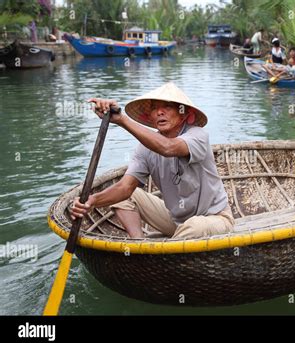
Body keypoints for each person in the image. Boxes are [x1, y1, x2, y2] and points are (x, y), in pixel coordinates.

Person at [70, 82, 235, 240]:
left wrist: (122, 120)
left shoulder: (198, 135)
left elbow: (168, 148)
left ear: (183, 113)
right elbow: (125, 188)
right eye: (155, 108)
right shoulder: (145, 148)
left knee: (194, 226)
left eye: (168, 107)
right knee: (128, 196)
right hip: (176, 221)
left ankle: (165, 254)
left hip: (215, 219)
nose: (160, 112)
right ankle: (139, 247)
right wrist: (92, 201)